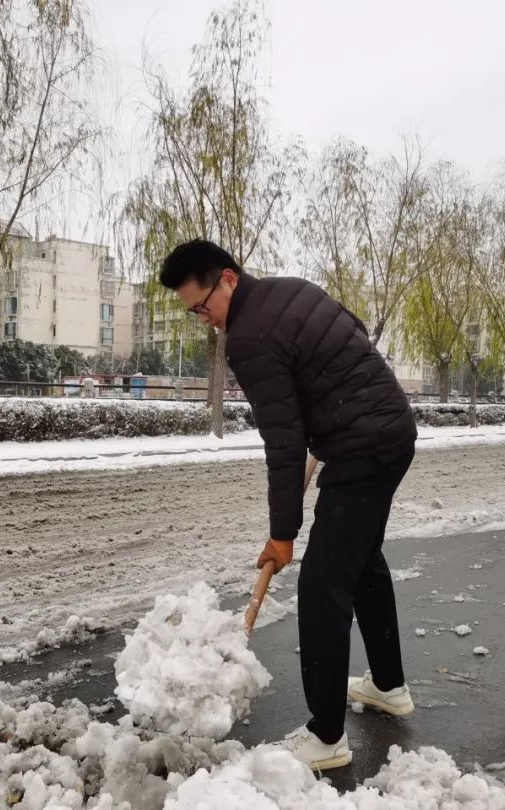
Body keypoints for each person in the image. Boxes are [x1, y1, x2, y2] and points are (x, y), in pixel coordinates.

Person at [159, 238, 419, 770]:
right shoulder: (290, 290)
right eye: (193, 313)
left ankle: (326, 738)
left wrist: (283, 533)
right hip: (391, 431)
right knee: (362, 562)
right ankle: (387, 686)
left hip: (361, 449)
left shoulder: (248, 337)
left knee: (323, 584)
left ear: (227, 278)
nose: (204, 320)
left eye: (203, 306)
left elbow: (283, 442)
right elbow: (354, 336)